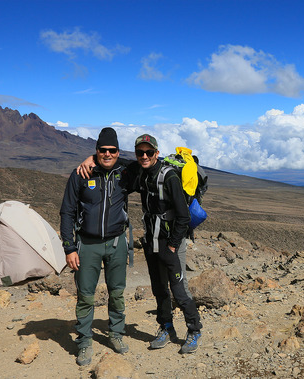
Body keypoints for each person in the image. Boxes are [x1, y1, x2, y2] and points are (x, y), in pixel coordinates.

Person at [60, 127, 136, 366]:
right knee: (85, 296)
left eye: (112, 150)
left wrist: (95, 158)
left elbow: (147, 163)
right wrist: (69, 247)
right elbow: (67, 211)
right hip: (87, 245)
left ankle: (116, 334)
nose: (107, 154)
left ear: (117, 151)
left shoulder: (125, 174)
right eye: (102, 150)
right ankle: (84, 341)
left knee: (117, 292)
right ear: (96, 150)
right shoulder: (81, 174)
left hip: (116, 243)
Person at [135, 134, 203, 354]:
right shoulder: (143, 174)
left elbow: (183, 216)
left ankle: (194, 330)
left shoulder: (169, 177)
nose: (144, 156)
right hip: (152, 242)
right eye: (140, 153)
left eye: (148, 152)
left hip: (169, 242)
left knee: (179, 290)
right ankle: (166, 327)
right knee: (159, 288)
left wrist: (173, 245)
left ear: (156, 153)